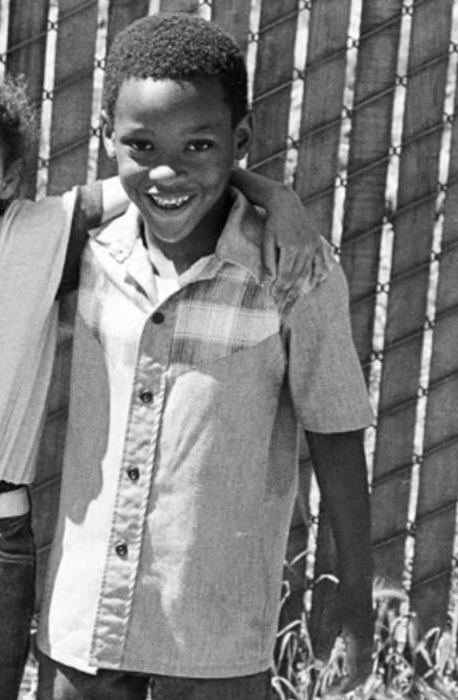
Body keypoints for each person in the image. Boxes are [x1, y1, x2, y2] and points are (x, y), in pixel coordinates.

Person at [37, 14, 375, 700]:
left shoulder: (291, 267)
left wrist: (357, 593)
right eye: (140, 145)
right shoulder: (85, 249)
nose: (167, 171)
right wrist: (268, 188)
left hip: (214, 634)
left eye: (199, 145)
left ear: (240, 141)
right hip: (85, 623)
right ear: (107, 139)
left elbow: (335, 430)